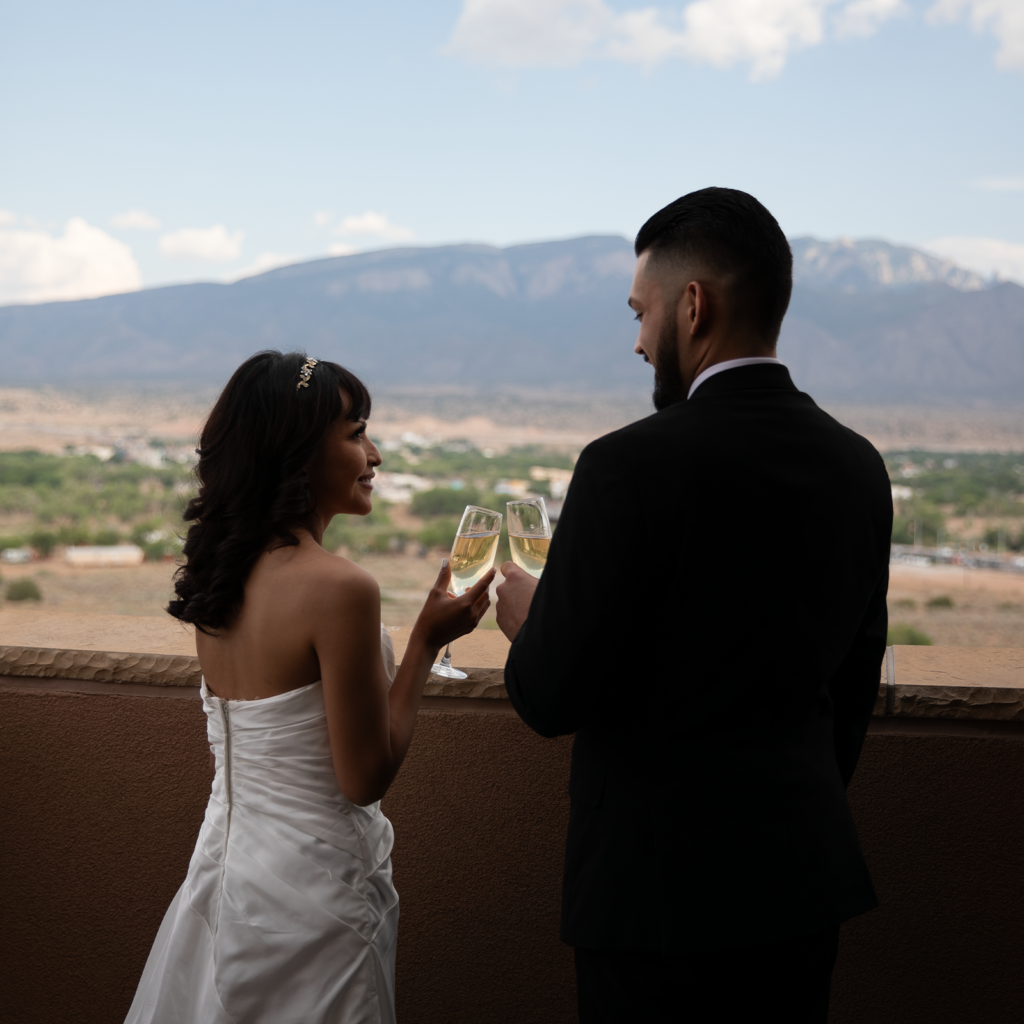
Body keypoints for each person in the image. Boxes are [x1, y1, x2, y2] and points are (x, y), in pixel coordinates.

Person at [496, 188, 892, 1022]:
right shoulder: (859, 467)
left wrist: (529, 622)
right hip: (799, 890)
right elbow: (851, 691)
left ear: (694, 306)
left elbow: (549, 695)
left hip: (650, 901)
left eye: (640, 313)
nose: (638, 340)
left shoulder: (623, 468)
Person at [125, 351, 493, 1024]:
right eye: (355, 434)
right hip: (313, 895)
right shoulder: (341, 587)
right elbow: (364, 778)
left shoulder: (222, 573)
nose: (375, 454)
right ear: (297, 453)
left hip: (224, 872)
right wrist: (424, 645)